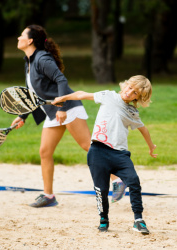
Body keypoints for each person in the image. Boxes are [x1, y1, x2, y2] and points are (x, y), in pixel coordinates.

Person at [11, 24, 125, 208]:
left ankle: (118, 179)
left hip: (68, 108)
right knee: (45, 152)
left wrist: (62, 107)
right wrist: (23, 116)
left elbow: (61, 80)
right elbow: (33, 93)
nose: (18, 38)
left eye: (21, 35)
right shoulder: (29, 61)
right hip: (54, 112)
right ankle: (48, 196)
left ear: (30, 40)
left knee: (88, 146)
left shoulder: (42, 58)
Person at [52, 75, 157, 234]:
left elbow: (143, 129)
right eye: (129, 88)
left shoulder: (132, 112)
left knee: (134, 181)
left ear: (139, 97)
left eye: (135, 93)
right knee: (101, 189)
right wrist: (64, 97)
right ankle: (103, 219)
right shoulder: (108, 96)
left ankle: (138, 219)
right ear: (125, 85)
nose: (129, 93)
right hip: (98, 152)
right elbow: (82, 94)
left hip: (120, 155)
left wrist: (151, 146)